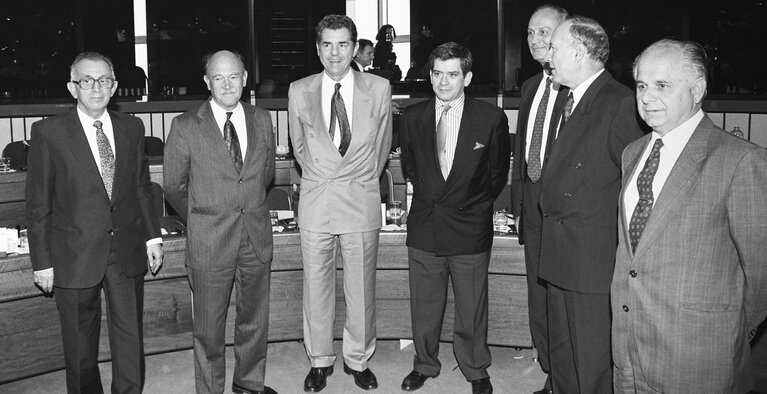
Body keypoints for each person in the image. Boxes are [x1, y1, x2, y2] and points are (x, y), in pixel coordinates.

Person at [612, 39, 767, 393]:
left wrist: (726, 331)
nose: (647, 97)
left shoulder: (740, 161)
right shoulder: (632, 153)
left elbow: (761, 271)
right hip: (628, 348)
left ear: (697, 89)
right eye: (641, 85)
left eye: (662, 85)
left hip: (699, 356)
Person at [26, 51, 163, 394]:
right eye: (87, 81)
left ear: (115, 86)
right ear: (73, 88)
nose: (96, 88)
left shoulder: (133, 128)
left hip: (126, 249)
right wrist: (41, 261)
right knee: (79, 344)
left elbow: (141, 188)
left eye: (103, 80)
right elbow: (38, 202)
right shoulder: (49, 132)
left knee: (130, 337)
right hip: (73, 254)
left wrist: (152, 238)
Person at [287, 14, 392, 393]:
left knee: (361, 287)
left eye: (343, 44)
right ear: (318, 49)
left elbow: (382, 148)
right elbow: (299, 148)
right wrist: (323, 174)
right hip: (317, 198)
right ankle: (319, 360)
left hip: (360, 196)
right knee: (315, 287)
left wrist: (361, 179)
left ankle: (358, 358)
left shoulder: (379, 87)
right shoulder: (299, 89)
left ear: (354, 47)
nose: (335, 53)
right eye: (327, 45)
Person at [540, 16, 644, 393]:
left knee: (592, 359)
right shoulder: (569, 97)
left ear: (579, 52)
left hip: (591, 258)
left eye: (554, 47)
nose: (547, 55)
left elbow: (635, 188)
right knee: (563, 355)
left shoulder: (619, 102)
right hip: (559, 251)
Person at [163, 50, 277, 394]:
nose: (226, 84)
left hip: (255, 235)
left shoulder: (261, 119)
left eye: (233, 77)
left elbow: (265, 175)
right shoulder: (185, 125)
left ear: (244, 78)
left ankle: (248, 383)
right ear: (206, 82)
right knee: (209, 328)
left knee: (254, 321)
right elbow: (173, 187)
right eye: (218, 78)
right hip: (209, 239)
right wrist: (201, 219)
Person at [399, 42, 510, 394]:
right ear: (429, 76)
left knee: (471, 306)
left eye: (452, 74)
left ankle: (476, 368)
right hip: (426, 224)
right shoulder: (412, 117)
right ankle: (425, 364)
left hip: (469, 225)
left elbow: (495, 177)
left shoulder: (491, 118)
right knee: (425, 305)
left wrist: (473, 206)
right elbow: (413, 169)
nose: (443, 82)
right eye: (437, 74)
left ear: (467, 76)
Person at [509, 5, 568, 394]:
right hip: (531, 206)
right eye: (531, 34)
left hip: (565, 212)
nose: (536, 41)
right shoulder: (530, 86)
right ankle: (549, 368)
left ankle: (565, 376)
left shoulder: (580, 90)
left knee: (564, 302)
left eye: (544, 32)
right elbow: (521, 149)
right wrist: (517, 207)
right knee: (538, 295)